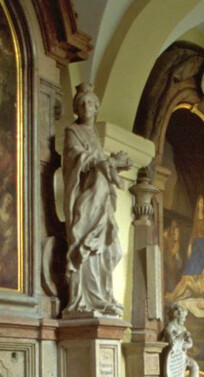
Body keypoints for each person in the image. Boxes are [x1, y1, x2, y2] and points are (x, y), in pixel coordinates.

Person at [62, 84, 131, 315]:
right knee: (86, 246)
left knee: (112, 250)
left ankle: (102, 296)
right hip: (88, 196)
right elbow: (73, 159)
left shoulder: (95, 135)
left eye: (90, 103)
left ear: (97, 107)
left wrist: (115, 165)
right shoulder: (73, 131)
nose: (85, 107)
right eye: (81, 104)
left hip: (102, 199)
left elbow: (103, 166)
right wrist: (97, 161)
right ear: (76, 108)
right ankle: (85, 300)